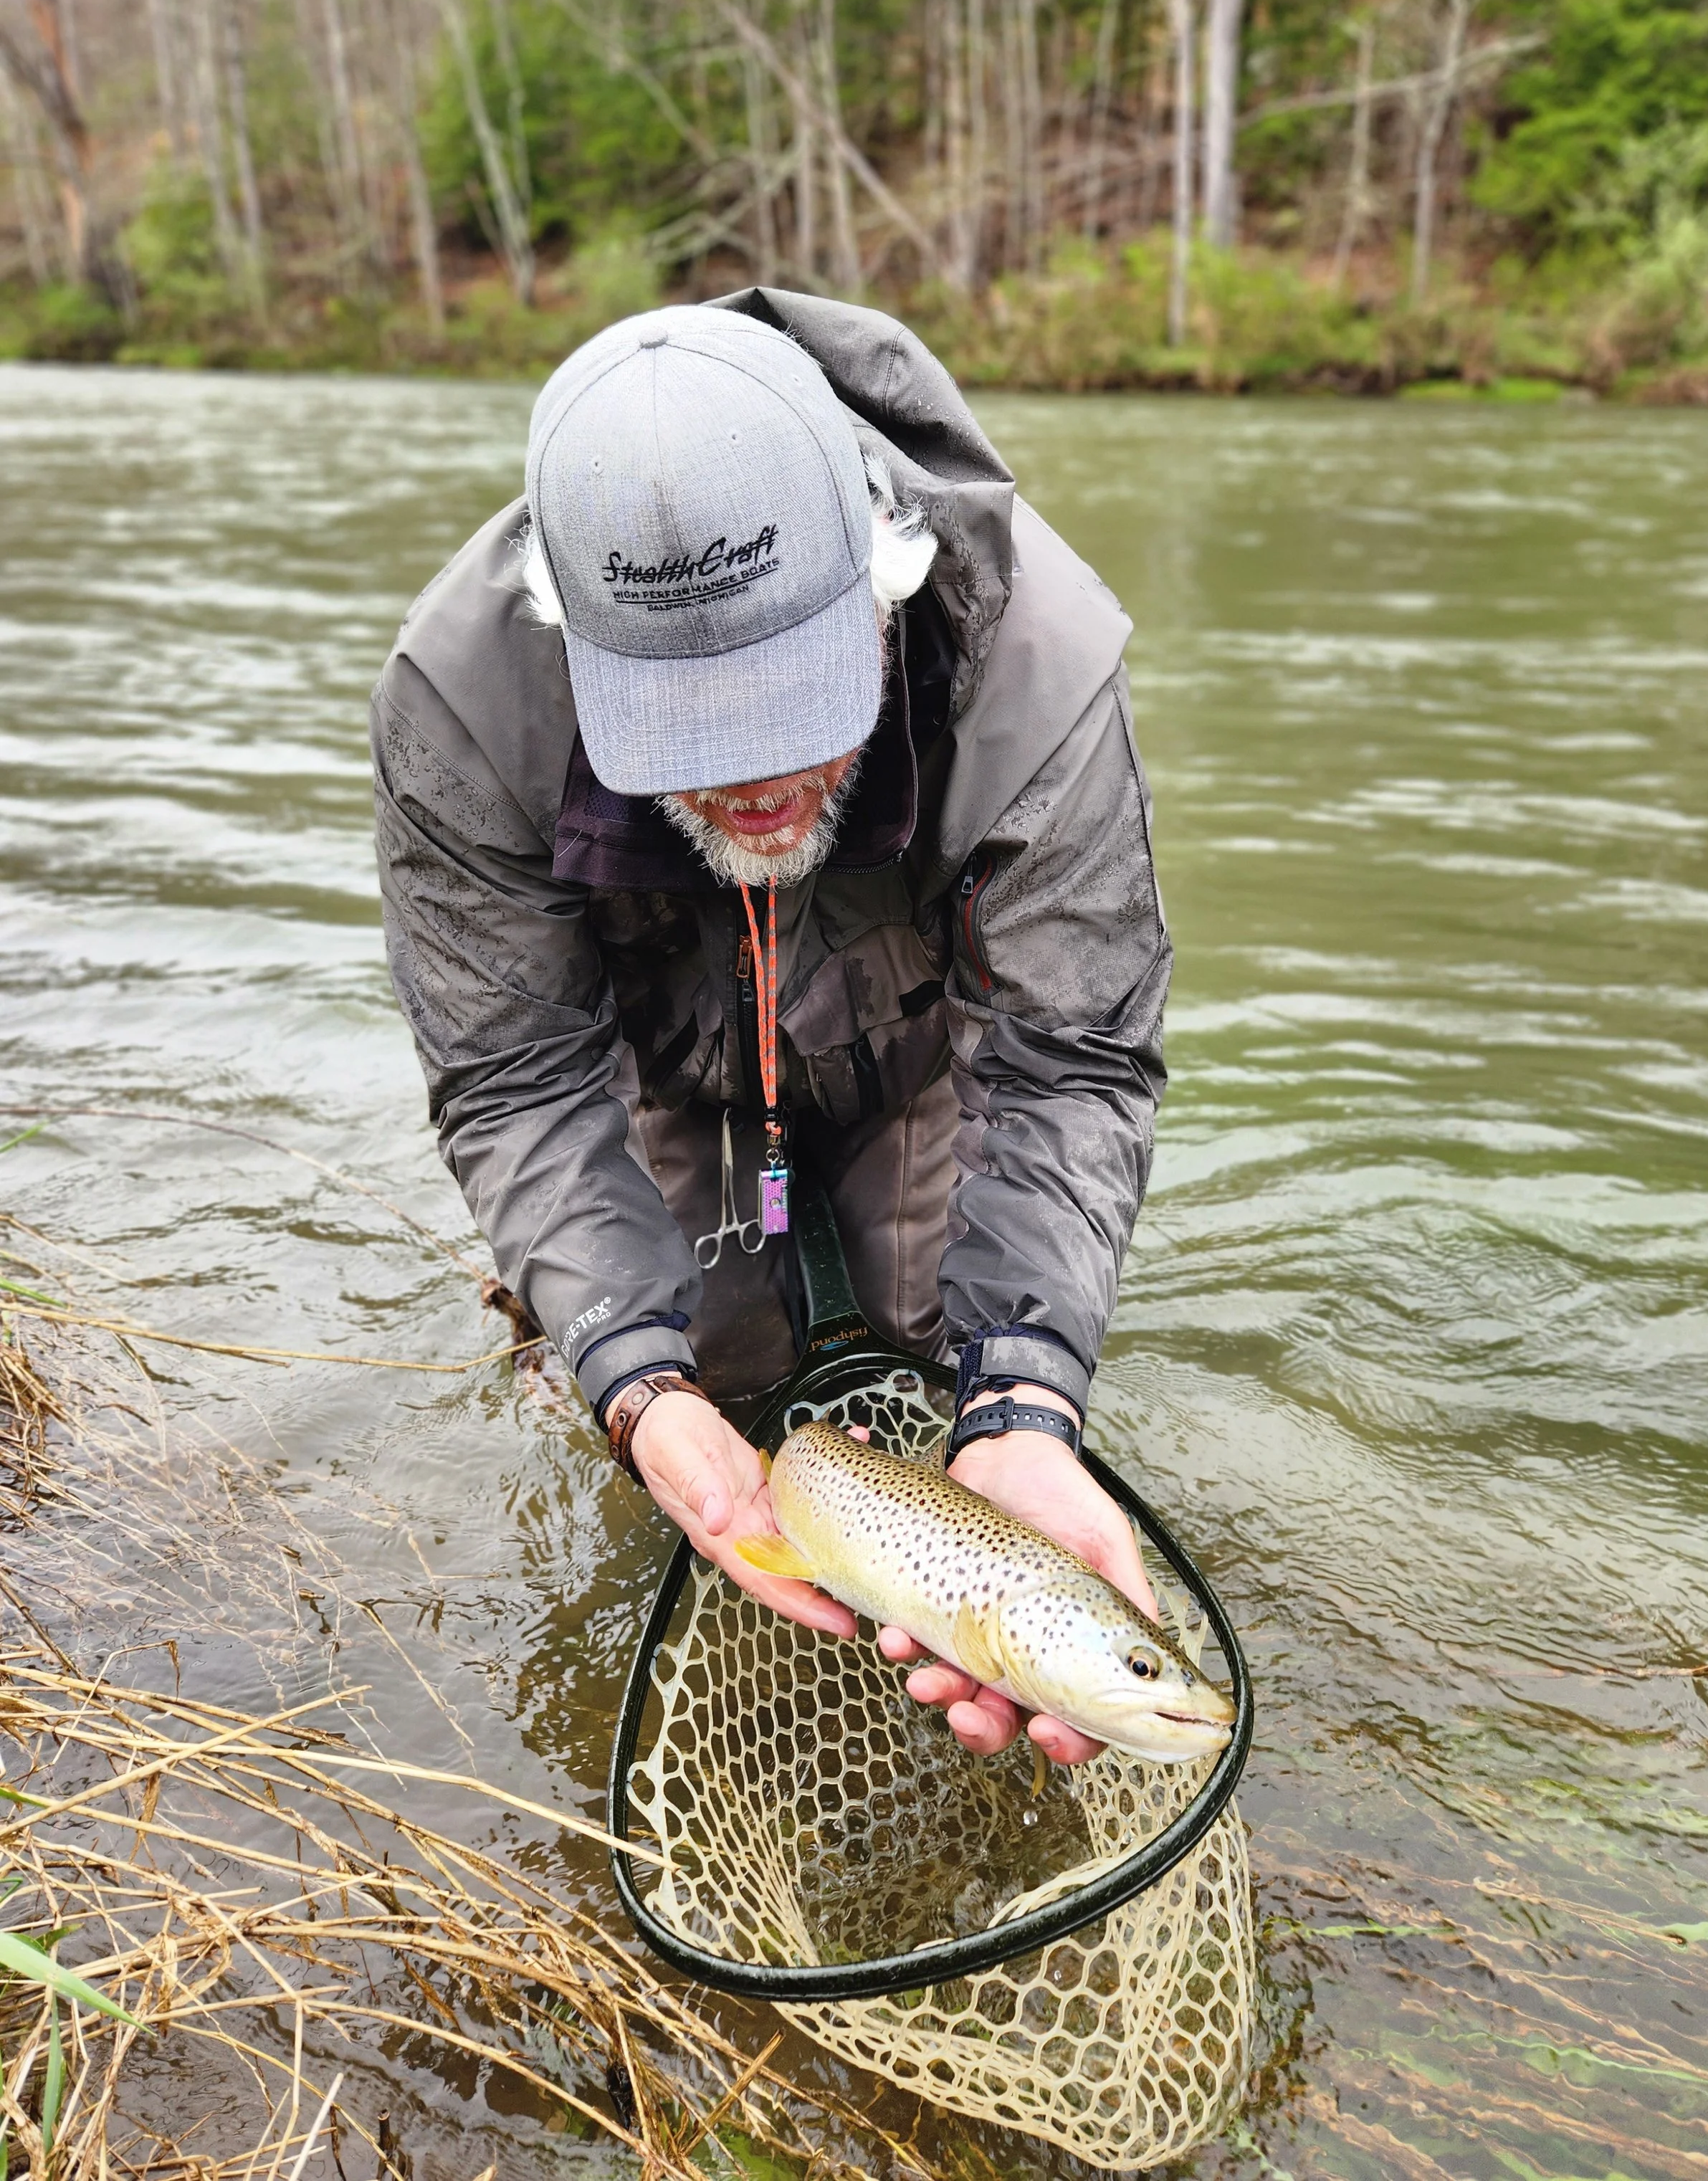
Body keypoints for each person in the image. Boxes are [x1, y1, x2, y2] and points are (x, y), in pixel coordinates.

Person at [373, 291, 1171, 1770]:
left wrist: (1021, 1397)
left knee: (961, 1338)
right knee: (703, 1378)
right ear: (572, 643)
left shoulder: (1031, 656)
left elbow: (1067, 1057)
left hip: (916, 1044)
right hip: (665, 1070)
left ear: (884, 577)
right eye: (687, 727)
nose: (752, 783)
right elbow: (513, 1074)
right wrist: (635, 1379)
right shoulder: (463, 703)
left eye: (791, 703)